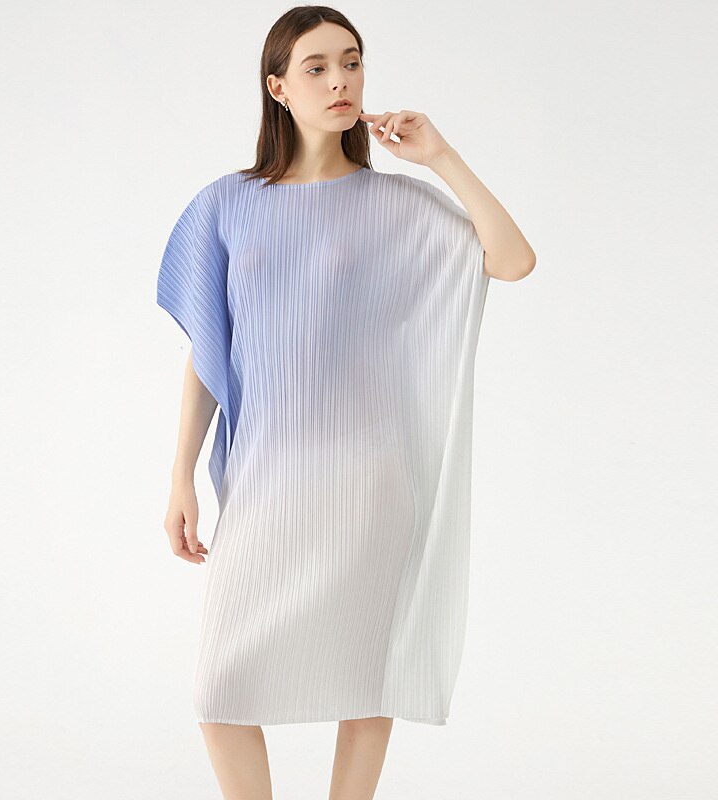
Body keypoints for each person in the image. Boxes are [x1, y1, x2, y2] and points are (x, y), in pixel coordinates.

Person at [156, 7, 535, 799]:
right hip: (265, 480)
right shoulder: (224, 205)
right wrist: (180, 476)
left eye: (352, 62)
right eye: (318, 67)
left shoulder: (396, 203)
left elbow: (512, 260)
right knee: (220, 689)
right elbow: (208, 350)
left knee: (367, 676)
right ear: (278, 88)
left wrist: (441, 157)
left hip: (368, 480)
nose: (341, 81)